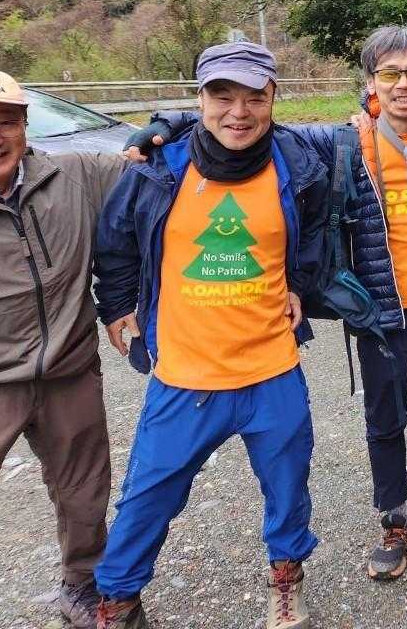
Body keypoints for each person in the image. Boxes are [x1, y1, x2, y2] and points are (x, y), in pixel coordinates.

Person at [132, 26, 407, 579]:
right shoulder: (341, 141)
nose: (403, 84)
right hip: (377, 312)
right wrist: (170, 123)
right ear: (371, 81)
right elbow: (257, 125)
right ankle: (394, 518)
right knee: (385, 419)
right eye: (389, 73)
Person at [92, 42, 329, 629]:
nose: (238, 112)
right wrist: (116, 306)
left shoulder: (297, 163)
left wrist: (300, 283)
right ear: (199, 98)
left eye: (254, 97)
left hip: (273, 371)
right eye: (222, 95)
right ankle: (118, 598)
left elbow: (315, 231)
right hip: (185, 375)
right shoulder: (158, 168)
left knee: (288, 490)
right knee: (148, 496)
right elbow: (115, 241)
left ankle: (286, 579)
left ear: (274, 98)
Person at [0, 70, 131, 628]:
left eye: (5, 123)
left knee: (85, 491)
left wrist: (174, 123)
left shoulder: (74, 175)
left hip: (68, 370)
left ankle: (83, 585)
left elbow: (156, 163)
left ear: (25, 125)